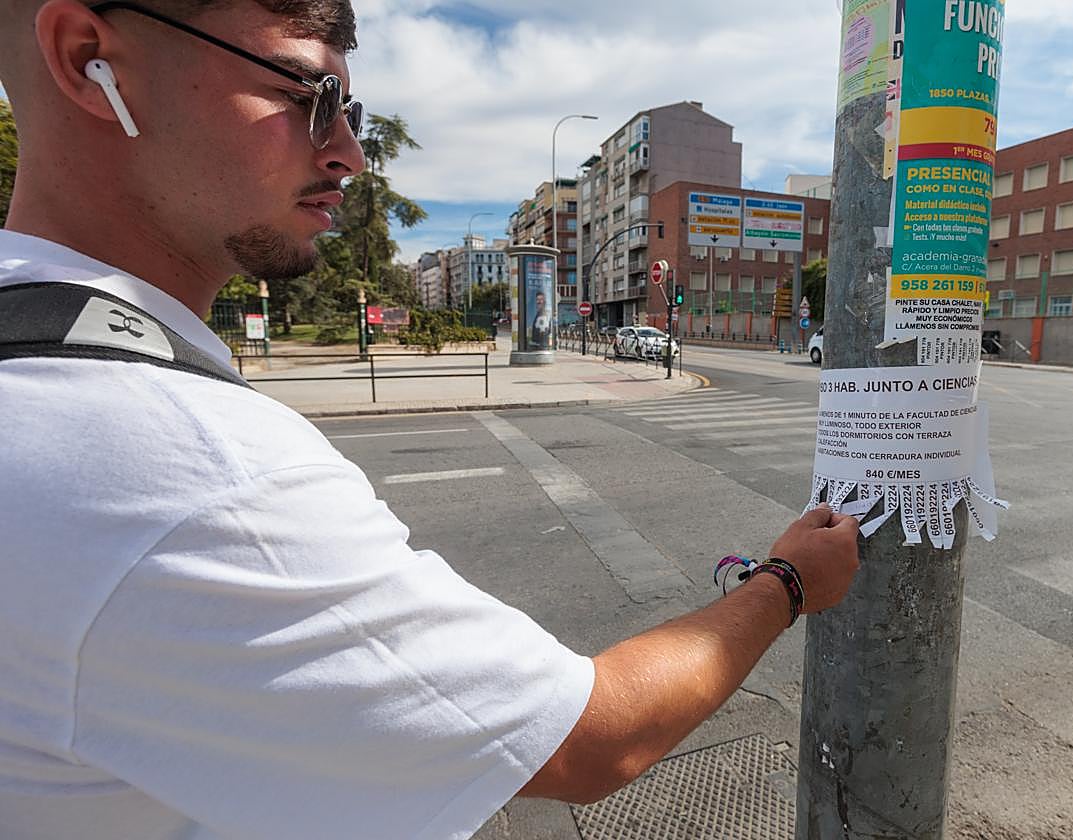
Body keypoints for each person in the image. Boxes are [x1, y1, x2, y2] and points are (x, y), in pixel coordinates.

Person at [0, 0, 862, 837]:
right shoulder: (185, 468)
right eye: (306, 94)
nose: (346, 154)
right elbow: (596, 739)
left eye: (349, 110)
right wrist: (786, 581)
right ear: (87, 57)